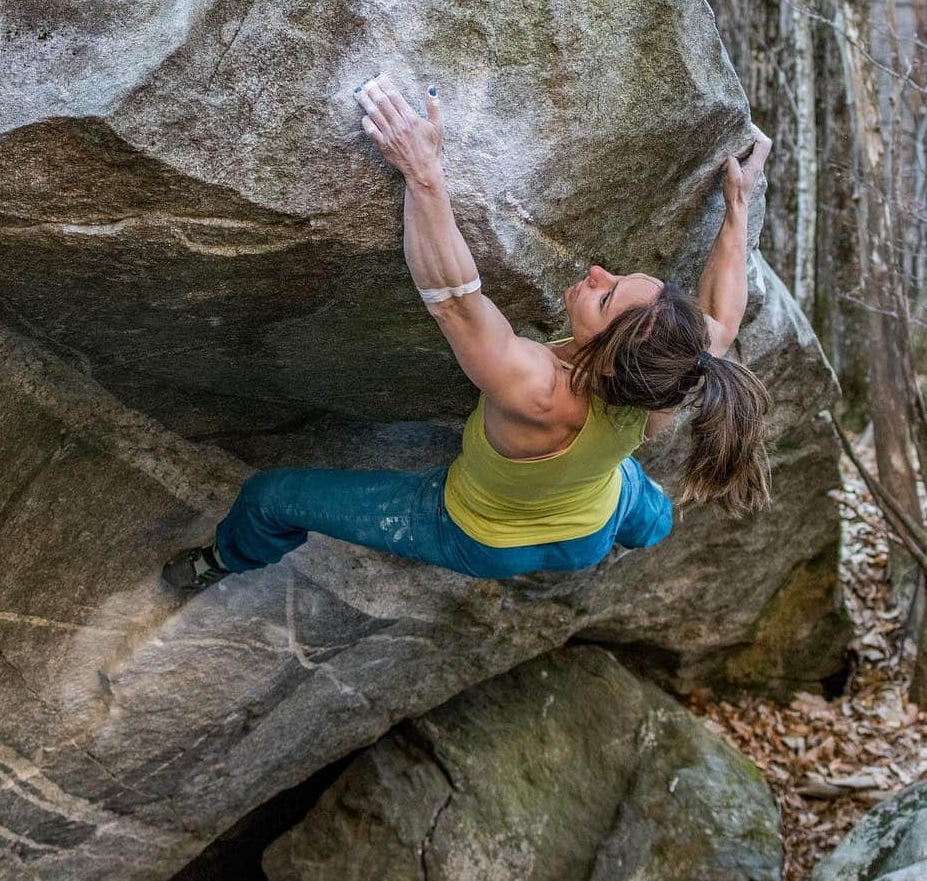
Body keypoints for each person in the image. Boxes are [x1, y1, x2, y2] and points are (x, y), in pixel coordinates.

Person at [163, 72, 773, 593]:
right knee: (645, 509)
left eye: (605, 295)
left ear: (610, 358)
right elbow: (722, 317)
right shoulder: (672, 378)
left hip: (482, 539)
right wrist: (736, 210)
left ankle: (221, 560)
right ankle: (648, 528)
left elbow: (455, 300)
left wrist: (423, 173)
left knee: (271, 496)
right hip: (593, 528)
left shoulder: (534, 386)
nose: (595, 272)